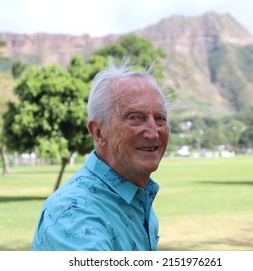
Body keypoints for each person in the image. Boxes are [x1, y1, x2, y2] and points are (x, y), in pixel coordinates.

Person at [31, 59, 170, 251]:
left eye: (160, 118)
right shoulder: (76, 212)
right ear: (98, 132)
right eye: (135, 118)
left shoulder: (135, 195)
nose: (153, 132)